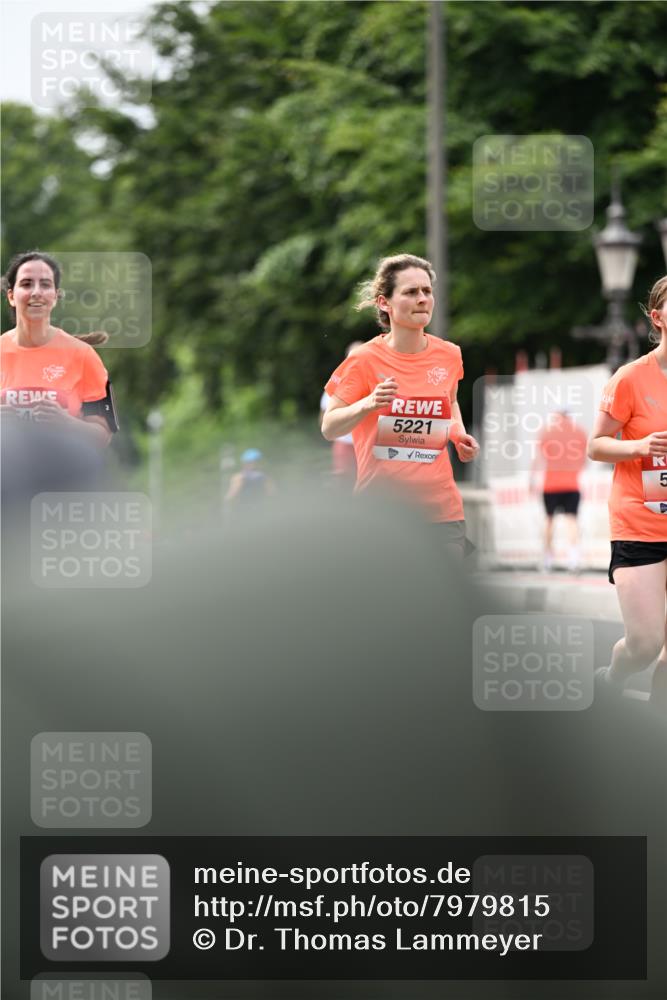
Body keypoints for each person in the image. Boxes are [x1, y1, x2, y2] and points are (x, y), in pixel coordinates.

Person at [321, 253, 479, 554]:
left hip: (442, 511)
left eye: (427, 291)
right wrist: (368, 404)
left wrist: (458, 435)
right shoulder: (364, 359)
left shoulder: (449, 354)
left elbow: (450, 402)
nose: (422, 299)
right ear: (384, 303)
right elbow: (329, 427)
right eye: (410, 292)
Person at [588, 275, 667, 708]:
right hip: (640, 522)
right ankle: (611, 678)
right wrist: (639, 445)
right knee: (645, 643)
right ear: (657, 318)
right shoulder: (631, 378)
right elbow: (595, 445)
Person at [1, 250, 118, 444]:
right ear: (12, 296)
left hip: (65, 473)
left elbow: (103, 436)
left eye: (45, 284)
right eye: (26, 283)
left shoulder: (83, 355)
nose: (36, 292)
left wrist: (65, 422)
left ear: (55, 296)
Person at [532, 410, 588, 572]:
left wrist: (532, 478)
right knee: (571, 520)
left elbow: (538, 458)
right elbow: (584, 458)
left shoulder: (547, 431)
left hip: (551, 483)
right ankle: (574, 559)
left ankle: (547, 559)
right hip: (572, 484)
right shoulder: (578, 431)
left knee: (549, 520)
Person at [319, 340, 363, 482]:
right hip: (345, 444)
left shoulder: (375, 380)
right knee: (344, 484)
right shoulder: (338, 382)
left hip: (367, 444)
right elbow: (324, 419)